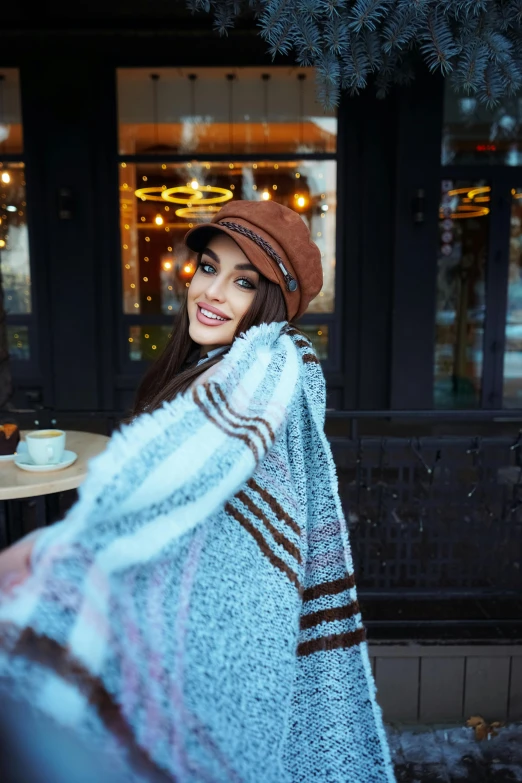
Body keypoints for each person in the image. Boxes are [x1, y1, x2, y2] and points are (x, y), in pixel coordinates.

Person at [0, 200, 396, 783]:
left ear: (272, 305)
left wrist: (37, 557)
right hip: (192, 626)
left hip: (221, 643)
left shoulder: (261, 367)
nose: (212, 292)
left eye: (243, 282)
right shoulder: (218, 364)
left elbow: (157, 490)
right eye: (208, 268)